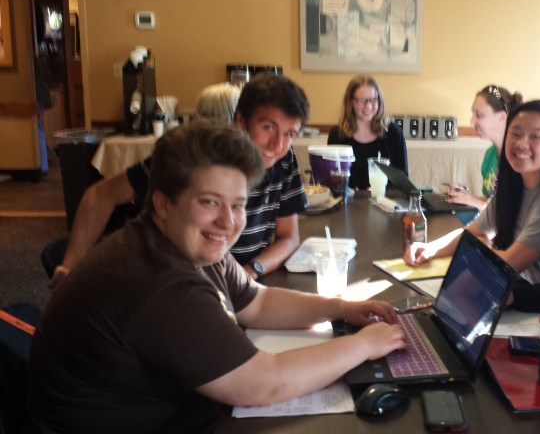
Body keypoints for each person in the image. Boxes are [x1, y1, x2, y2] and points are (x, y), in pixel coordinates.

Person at [27, 121, 406, 433]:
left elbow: (257, 302)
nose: (228, 223)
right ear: (162, 203)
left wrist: (341, 308)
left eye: (238, 205)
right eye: (209, 202)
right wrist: (365, 346)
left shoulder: (184, 242)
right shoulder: (160, 282)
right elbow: (264, 382)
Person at [48, 75, 307, 288]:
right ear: (240, 120)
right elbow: (100, 195)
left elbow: (288, 238)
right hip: (177, 282)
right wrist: (69, 266)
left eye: (289, 134)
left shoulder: (285, 158)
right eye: (268, 128)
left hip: (233, 282)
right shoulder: (197, 153)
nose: (278, 145)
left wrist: (249, 273)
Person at [404, 100, 540, 291]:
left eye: (536, 137)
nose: (521, 143)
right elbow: (476, 231)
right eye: (515, 134)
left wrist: (478, 249)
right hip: (517, 293)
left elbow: (508, 265)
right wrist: (430, 249)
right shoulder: (515, 183)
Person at [445, 84, 522, 209]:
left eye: (479, 115)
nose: (472, 121)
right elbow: (490, 201)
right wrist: (464, 197)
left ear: (501, 117)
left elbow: (515, 212)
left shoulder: (520, 159)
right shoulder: (491, 154)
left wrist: (473, 201)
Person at [327, 76, 408, 190]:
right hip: (348, 203)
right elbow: (331, 179)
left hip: (384, 204)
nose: (368, 106)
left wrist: (381, 191)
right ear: (350, 102)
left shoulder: (393, 134)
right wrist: (349, 191)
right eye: (362, 100)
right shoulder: (337, 135)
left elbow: (402, 181)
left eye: (373, 99)